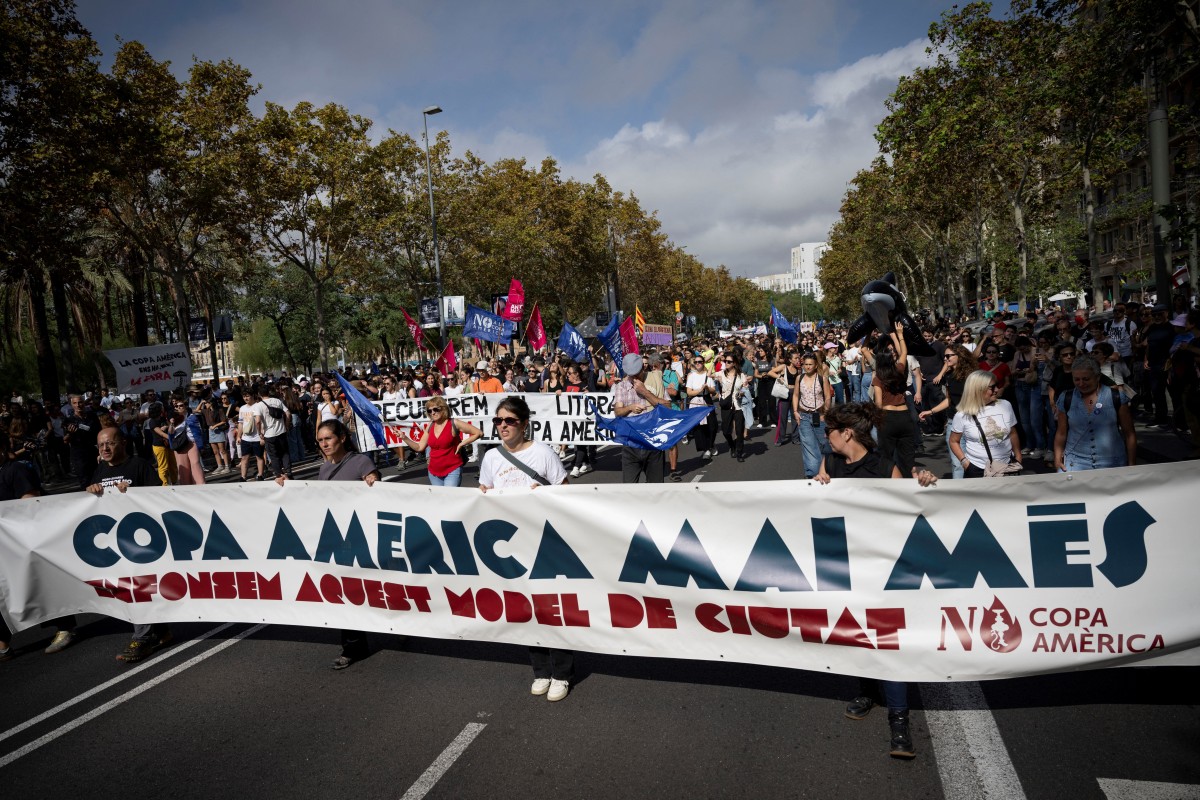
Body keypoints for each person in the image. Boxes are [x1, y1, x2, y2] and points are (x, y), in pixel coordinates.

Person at [814, 402, 937, 759]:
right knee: (855, 632)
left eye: (829, 431)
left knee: (886, 638)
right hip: (846, 567)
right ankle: (867, 689)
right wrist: (817, 486)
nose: (826, 438)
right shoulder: (831, 464)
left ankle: (899, 720)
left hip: (884, 566)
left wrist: (925, 484)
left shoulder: (886, 467)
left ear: (847, 433)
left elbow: (912, 510)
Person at [476, 397, 572, 702]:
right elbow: (485, 494)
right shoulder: (491, 457)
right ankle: (540, 670)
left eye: (510, 420)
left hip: (544, 541)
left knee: (552, 608)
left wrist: (546, 494)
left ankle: (562, 673)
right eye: (498, 421)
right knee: (525, 608)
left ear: (524, 423)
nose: (503, 425)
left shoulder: (542, 453)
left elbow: (567, 490)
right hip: (510, 547)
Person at [277, 419, 380, 669]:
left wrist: (373, 479)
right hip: (337, 540)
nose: (324, 444)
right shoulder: (324, 469)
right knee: (345, 592)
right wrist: (287, 485)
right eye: (321, 441)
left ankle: (401, 622)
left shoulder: (360, 462)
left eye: (329, 439)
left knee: (373, 588)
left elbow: (377, 489)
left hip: (362, 537)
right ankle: (353, 647)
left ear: (342, 438)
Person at [86, 426, 172, 662]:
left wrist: (136, 493)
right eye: (101, 445)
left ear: (122, 443)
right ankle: (161, 631)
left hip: (143, 542)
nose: (105, 448)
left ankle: (142, 638)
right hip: (115, 544)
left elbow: (158, 498)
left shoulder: (139, 465)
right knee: (132, 588)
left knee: (137, 587)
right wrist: (90, 492)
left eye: (110, 443)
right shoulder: (100, 470)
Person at [1053, 354, 1137, 472]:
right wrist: (1057, 460)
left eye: (1086, 379)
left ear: (1097, 377)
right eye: (1076, 379)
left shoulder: (1116, 397)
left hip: (1113, 463)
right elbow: (1061, 433)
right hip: (1074, 463)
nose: (1081, 383)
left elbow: (1130, 434)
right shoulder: (1066, 398)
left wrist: (1132, 464)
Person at [949, 371, 1022, 478]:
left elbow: (1013, 433)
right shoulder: (962, 415)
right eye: (992, 387)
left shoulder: (1006, 405)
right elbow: (953, 441)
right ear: (978, 390)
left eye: (997, 385)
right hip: (977, 470)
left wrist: (1018, 456)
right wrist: (965, 462)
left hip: (1007, 466)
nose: (996, 390)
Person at [613, 352, 672, 481]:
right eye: (631, 373)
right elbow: (617, 412)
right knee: (629, 489)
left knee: (655, 486)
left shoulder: (655, 380)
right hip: (631, 444)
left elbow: (667, 406)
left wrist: (645, 392)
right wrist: (629, 408)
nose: (634, 377)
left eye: (636, 372)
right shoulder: (621, 387)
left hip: (652, 442)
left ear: (643, 368)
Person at [921, 345, 978, 479]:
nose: (945, 359)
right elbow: (949, 400)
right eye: (944, 356)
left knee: (976, 460)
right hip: (954, 422)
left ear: (960, 356)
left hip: (973, 421)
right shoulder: (948, 376)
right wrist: (931, 411)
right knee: (957, 462)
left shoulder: (972, 375)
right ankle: (959, 493)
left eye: (949, 356)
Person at [399, 396, 482, 487]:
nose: (433, 413)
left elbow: (478, 433)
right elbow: (419, 447)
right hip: (433, 472)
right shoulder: (430, 425)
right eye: (429, 411)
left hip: (452, 469)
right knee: (441, 500)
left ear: (443, 409)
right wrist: (404, 437)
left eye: (435, 409)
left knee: (449, 499)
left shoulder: (454, 423)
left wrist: (462, 444)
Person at [871, 324, 916, 476]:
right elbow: (904, 352)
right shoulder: (899, 370)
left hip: (887, 418)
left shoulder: (878, 378)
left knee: (886, 457)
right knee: (908, 459)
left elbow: (878, 403)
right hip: (904, 416)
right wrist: (899, 334)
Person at [792, 353, 832, 478]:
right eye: (806, 364)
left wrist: (825, 413)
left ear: (815, 366)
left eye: (810, 365)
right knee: (809, 445)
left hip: (819, 415)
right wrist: (795, 411)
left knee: (825, 444)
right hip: (804, 415)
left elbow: (827, 396)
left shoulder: (822, 379)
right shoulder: (799, 378)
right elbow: (796, 395)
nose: (808, 367)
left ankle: (825, 471)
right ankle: (812, 474)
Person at [716, 352, 750, 462]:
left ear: (734, 363)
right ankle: (732, 446)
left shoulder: (741, 375)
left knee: (739, 431)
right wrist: (715, 359)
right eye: (725, 361)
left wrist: (742, 392)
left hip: (739, 406)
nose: (726, 363)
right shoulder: (721, 374)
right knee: (726, 431)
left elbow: (746, 390)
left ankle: (739, 453)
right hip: (726, 405)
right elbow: (707, 374)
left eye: (729, 361)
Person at [685, 353, 717, 460]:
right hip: (695, 401)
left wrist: (707, 388)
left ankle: (711, 444)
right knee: (699, 427)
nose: (698, 364)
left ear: (703, 363)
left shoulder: (707, 376)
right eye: (696, 362)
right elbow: (689, 392)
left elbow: (714, 390)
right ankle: (706, 449)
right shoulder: (691, 376)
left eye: (700, 362)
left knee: (712, 425)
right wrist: (699, 390)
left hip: (706, 400)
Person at [168, 397, 207, 485]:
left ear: (185, 406)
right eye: (176, 406)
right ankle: (186, 487)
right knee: (183, 467)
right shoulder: (173, 419)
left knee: (195, 463)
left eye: (181, 405)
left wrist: (201, 445)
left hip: (192, 443)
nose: (178, 408)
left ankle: (200, 484)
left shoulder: (192, 417)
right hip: (180, 445)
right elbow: (171, 433)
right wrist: (171, 424)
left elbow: (199, 431)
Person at [236, 387, 267, 481]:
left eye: (247, 396)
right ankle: (243, 476)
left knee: (259, 457)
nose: (245, 398)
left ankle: (260, 475)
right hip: (246, 438)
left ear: (253, 396)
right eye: (244, 396)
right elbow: (240, 423)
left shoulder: (258, 406)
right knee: (244, 457)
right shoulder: (242, 408)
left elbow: (262, 422)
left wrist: (262, 436)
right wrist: (238, 436)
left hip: (258, 437)